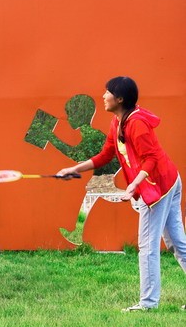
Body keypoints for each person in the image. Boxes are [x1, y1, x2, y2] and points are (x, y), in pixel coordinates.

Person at [57, 76, 186, 311]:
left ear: (119, 98)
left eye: (107, 92)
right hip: (168, 179)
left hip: (158, 186)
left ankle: (148, 304)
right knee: (177, 244)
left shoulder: (136, 124)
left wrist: (134, 184)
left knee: (148, 247)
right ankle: (149, 302)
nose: (103, 96)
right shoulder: (118, 122)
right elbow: (105, 155)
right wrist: (75, 169)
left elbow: (151, 159)